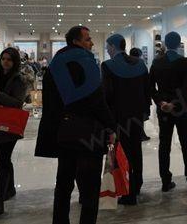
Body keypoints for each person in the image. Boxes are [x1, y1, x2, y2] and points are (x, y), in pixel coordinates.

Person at [35, 26, 115, 224]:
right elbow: (97, 101)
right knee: (90, 189)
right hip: (89, 133)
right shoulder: (86, 62)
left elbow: (50, 102)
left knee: (64, 184)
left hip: (64, 132)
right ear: (76, 41)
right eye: (88, 39)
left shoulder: (55, 63)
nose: (92, 43)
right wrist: (111, 126)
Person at [101, 34, 152, 205]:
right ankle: (137, 185)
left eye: (108, 47)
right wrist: (145, 112)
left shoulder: (108, 66)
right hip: (137, 117)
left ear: (113, 46)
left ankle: (126, 190)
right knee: (136, 150)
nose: (107, 50)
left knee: (120, 152)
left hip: (118, 119)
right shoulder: (140, 64)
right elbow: (147, 89)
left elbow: (107, 95)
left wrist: (107, 120)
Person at [150, 31, 187, 193]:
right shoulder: (183, 62)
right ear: (179, 44)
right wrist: (174, 103)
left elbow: (150, 87)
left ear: (165, 44)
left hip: (164, 109)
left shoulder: (157, 62)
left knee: (164, 144)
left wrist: (161, 102)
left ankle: (165, 181)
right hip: (182, 108)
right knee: (186, 144)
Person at [0, 47, 29, 216]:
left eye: (9, 59)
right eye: (3, 59)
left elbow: (17, 103)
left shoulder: (19, 79)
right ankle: (10, 189)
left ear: (15, 62)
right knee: (4, 159)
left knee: (1, 161)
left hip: (10, 124)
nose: (5, 62)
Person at [129, 47, 152, 142]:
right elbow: (146, 81)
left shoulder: (126, 64)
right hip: (140, 94)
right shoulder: (140, 64)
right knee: (140, 115)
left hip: (130, 94)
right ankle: (140, 134)